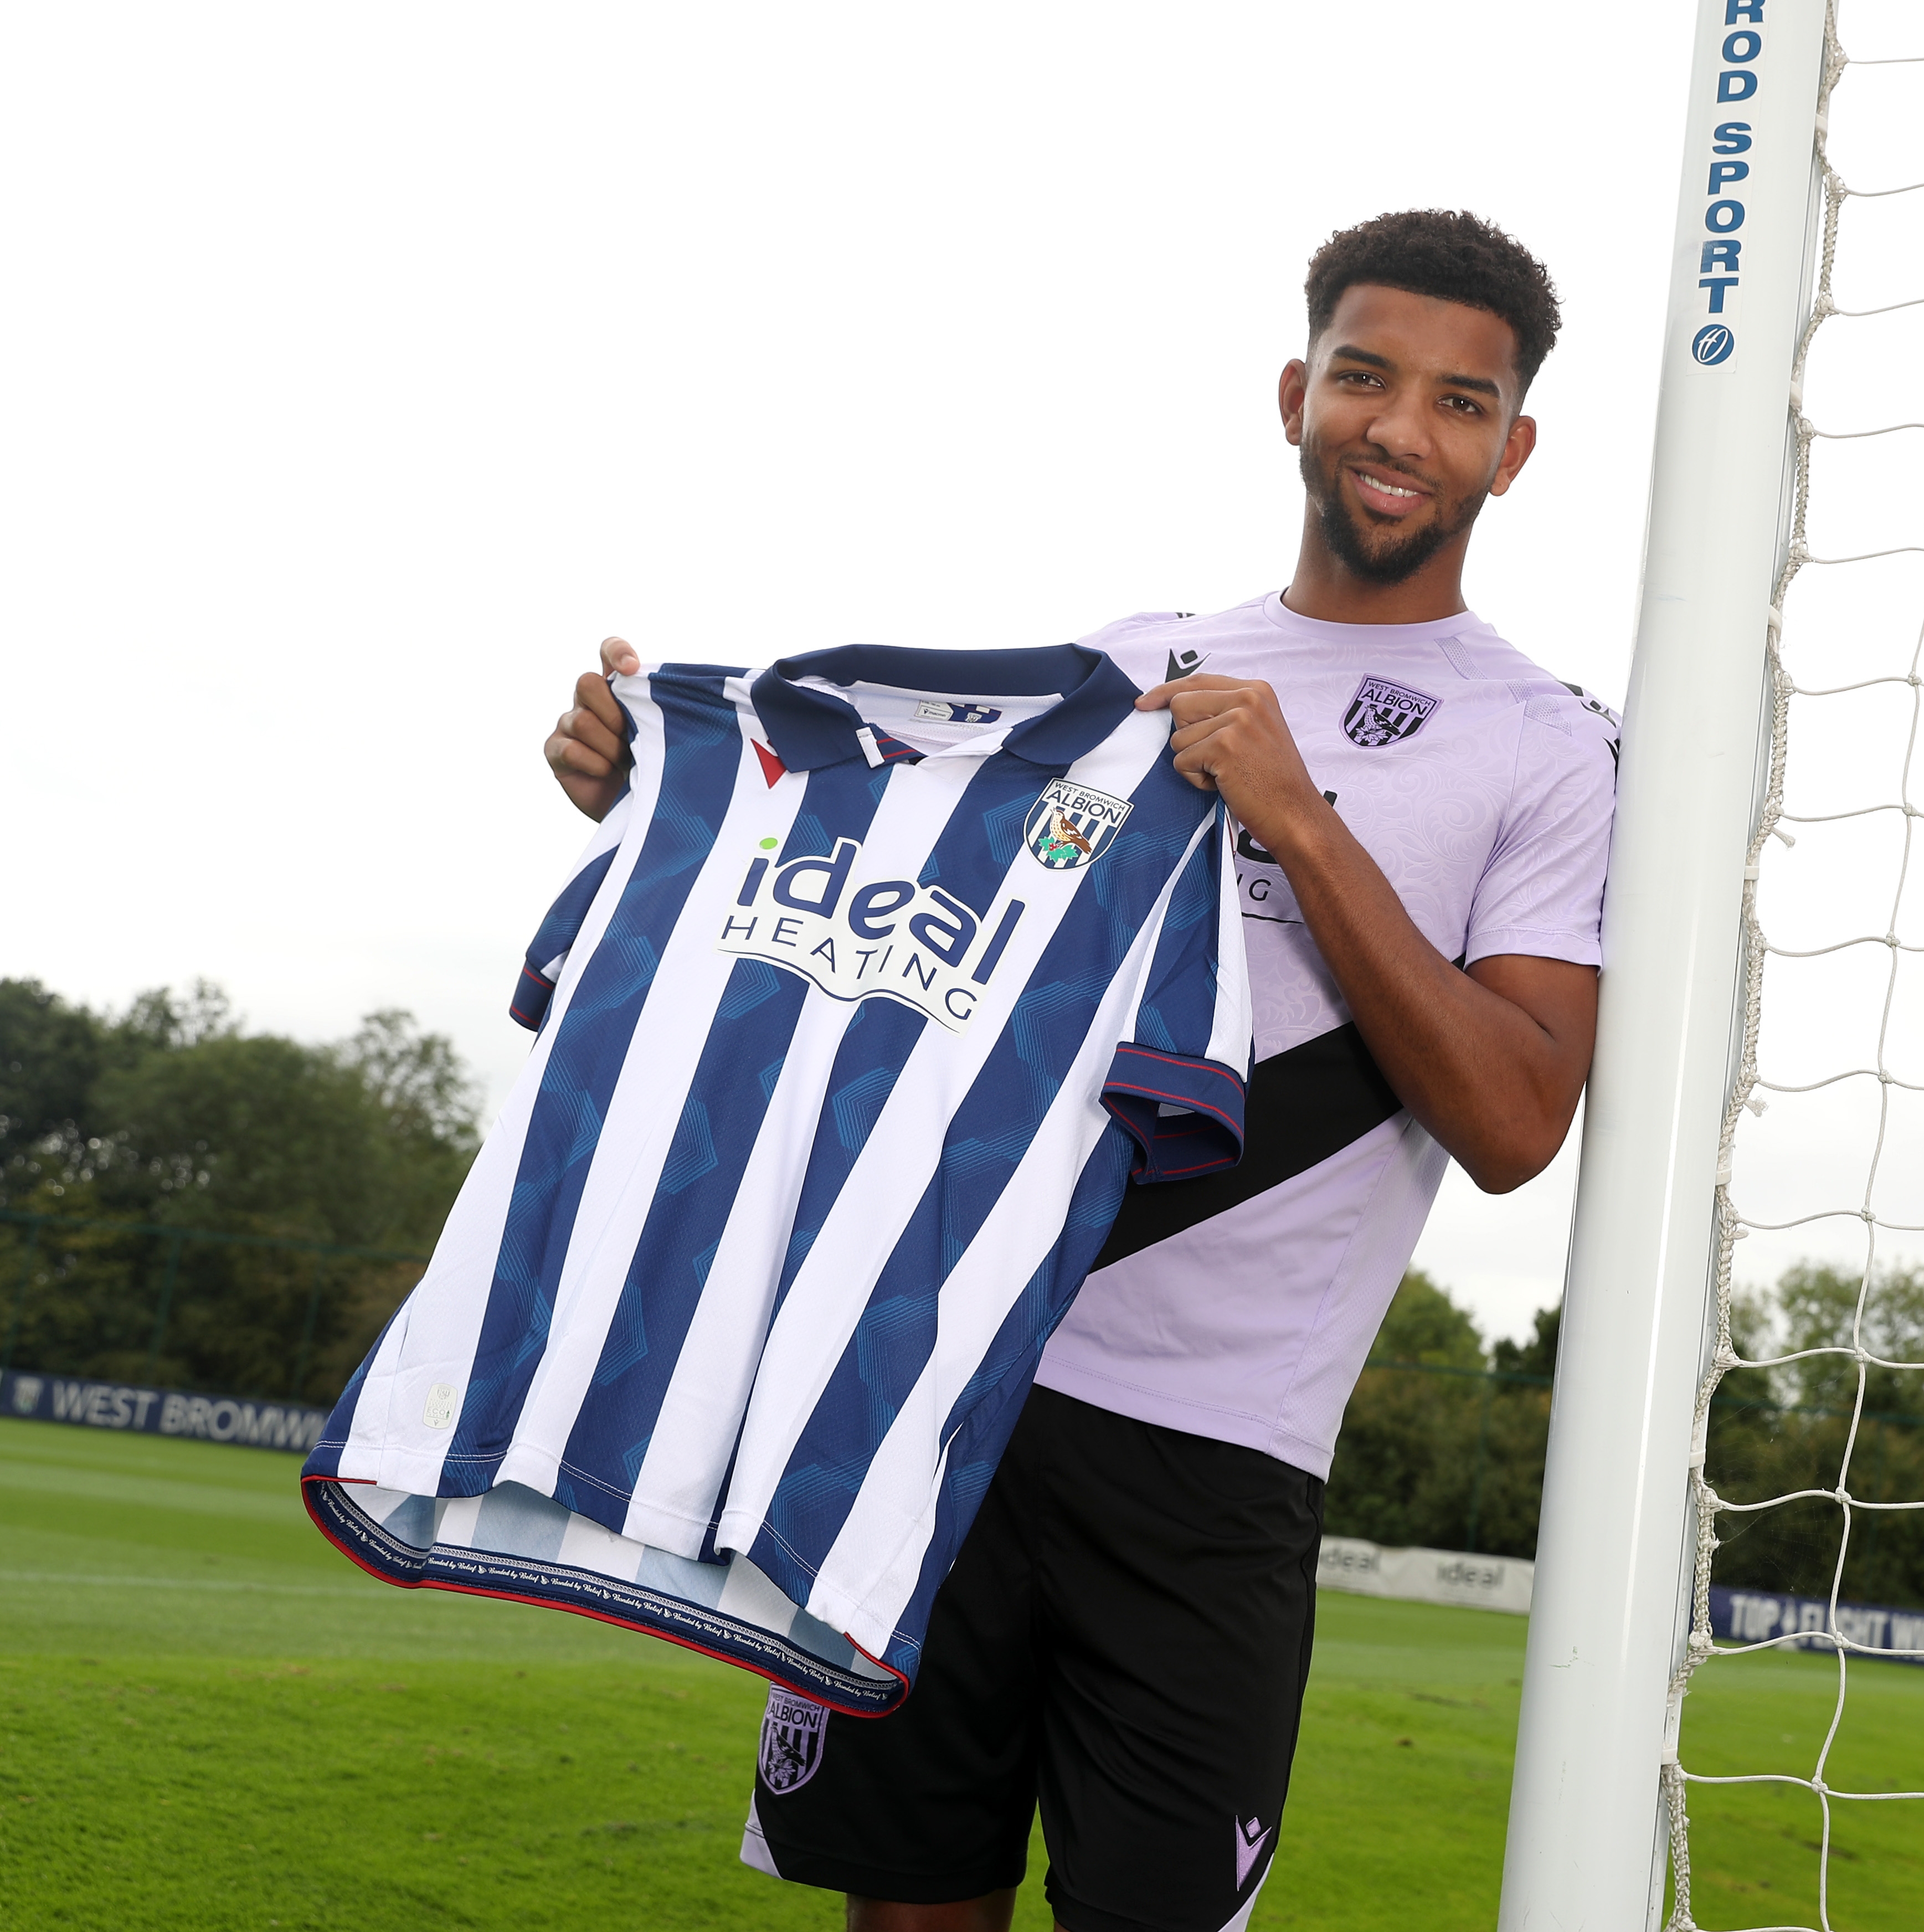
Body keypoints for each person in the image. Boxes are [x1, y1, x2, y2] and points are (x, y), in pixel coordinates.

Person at [541, 209, 1618, 1932]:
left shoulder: (1550, 749)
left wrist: (1298, 823)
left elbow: (1512, 1120)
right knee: (904, 1905)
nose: (1401, 429)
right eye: (1364, 377)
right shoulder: (1131, 666)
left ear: (1515, 446)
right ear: (1295, 394)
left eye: (1459, 401)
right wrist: (673, 809)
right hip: (943, 1379)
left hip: (1216, 1459)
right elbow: (905, 918)